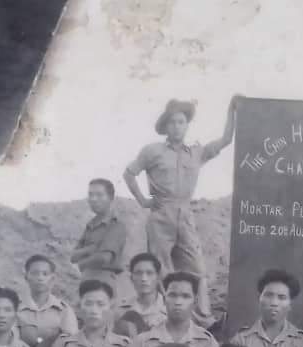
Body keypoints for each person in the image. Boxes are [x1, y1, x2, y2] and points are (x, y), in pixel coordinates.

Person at [123, 97, 239, 328]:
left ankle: (204, 320)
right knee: (160, 268)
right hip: (161, 214)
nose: (177, 126)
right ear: (166, 126)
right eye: (173, 122)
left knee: (197, 269)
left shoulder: (196, 152)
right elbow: (129, 173)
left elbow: (226, 140)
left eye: (181, 122)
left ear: (187, 125)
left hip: (185, 214)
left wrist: (231, 110)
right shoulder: (152, 151)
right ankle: (162, 318)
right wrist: (143, 200)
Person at [72, 179, 128, 293]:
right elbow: (73, 256)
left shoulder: (116, 226)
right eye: (90, 195)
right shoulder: (90, 225)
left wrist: (80, 265)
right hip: (86, 278)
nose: (93, 199)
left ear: (111, 198)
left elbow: (104, 258)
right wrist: (91, 249)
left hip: (104, 280)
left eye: (99, 195)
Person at [16, 254, 78, 347]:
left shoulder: (63, 310)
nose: (40, 278)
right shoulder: (15, 308)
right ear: (26, 277)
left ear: (52, 278)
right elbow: (9, 340)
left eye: (45, 274)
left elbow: (71, 343)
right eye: (35, 273)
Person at [122, 253, 168, 331]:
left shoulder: (169, 309)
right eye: (138, 273)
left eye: (149, 273)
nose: (144, 279)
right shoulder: (121, 309)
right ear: (131, 278)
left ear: (158, 277)